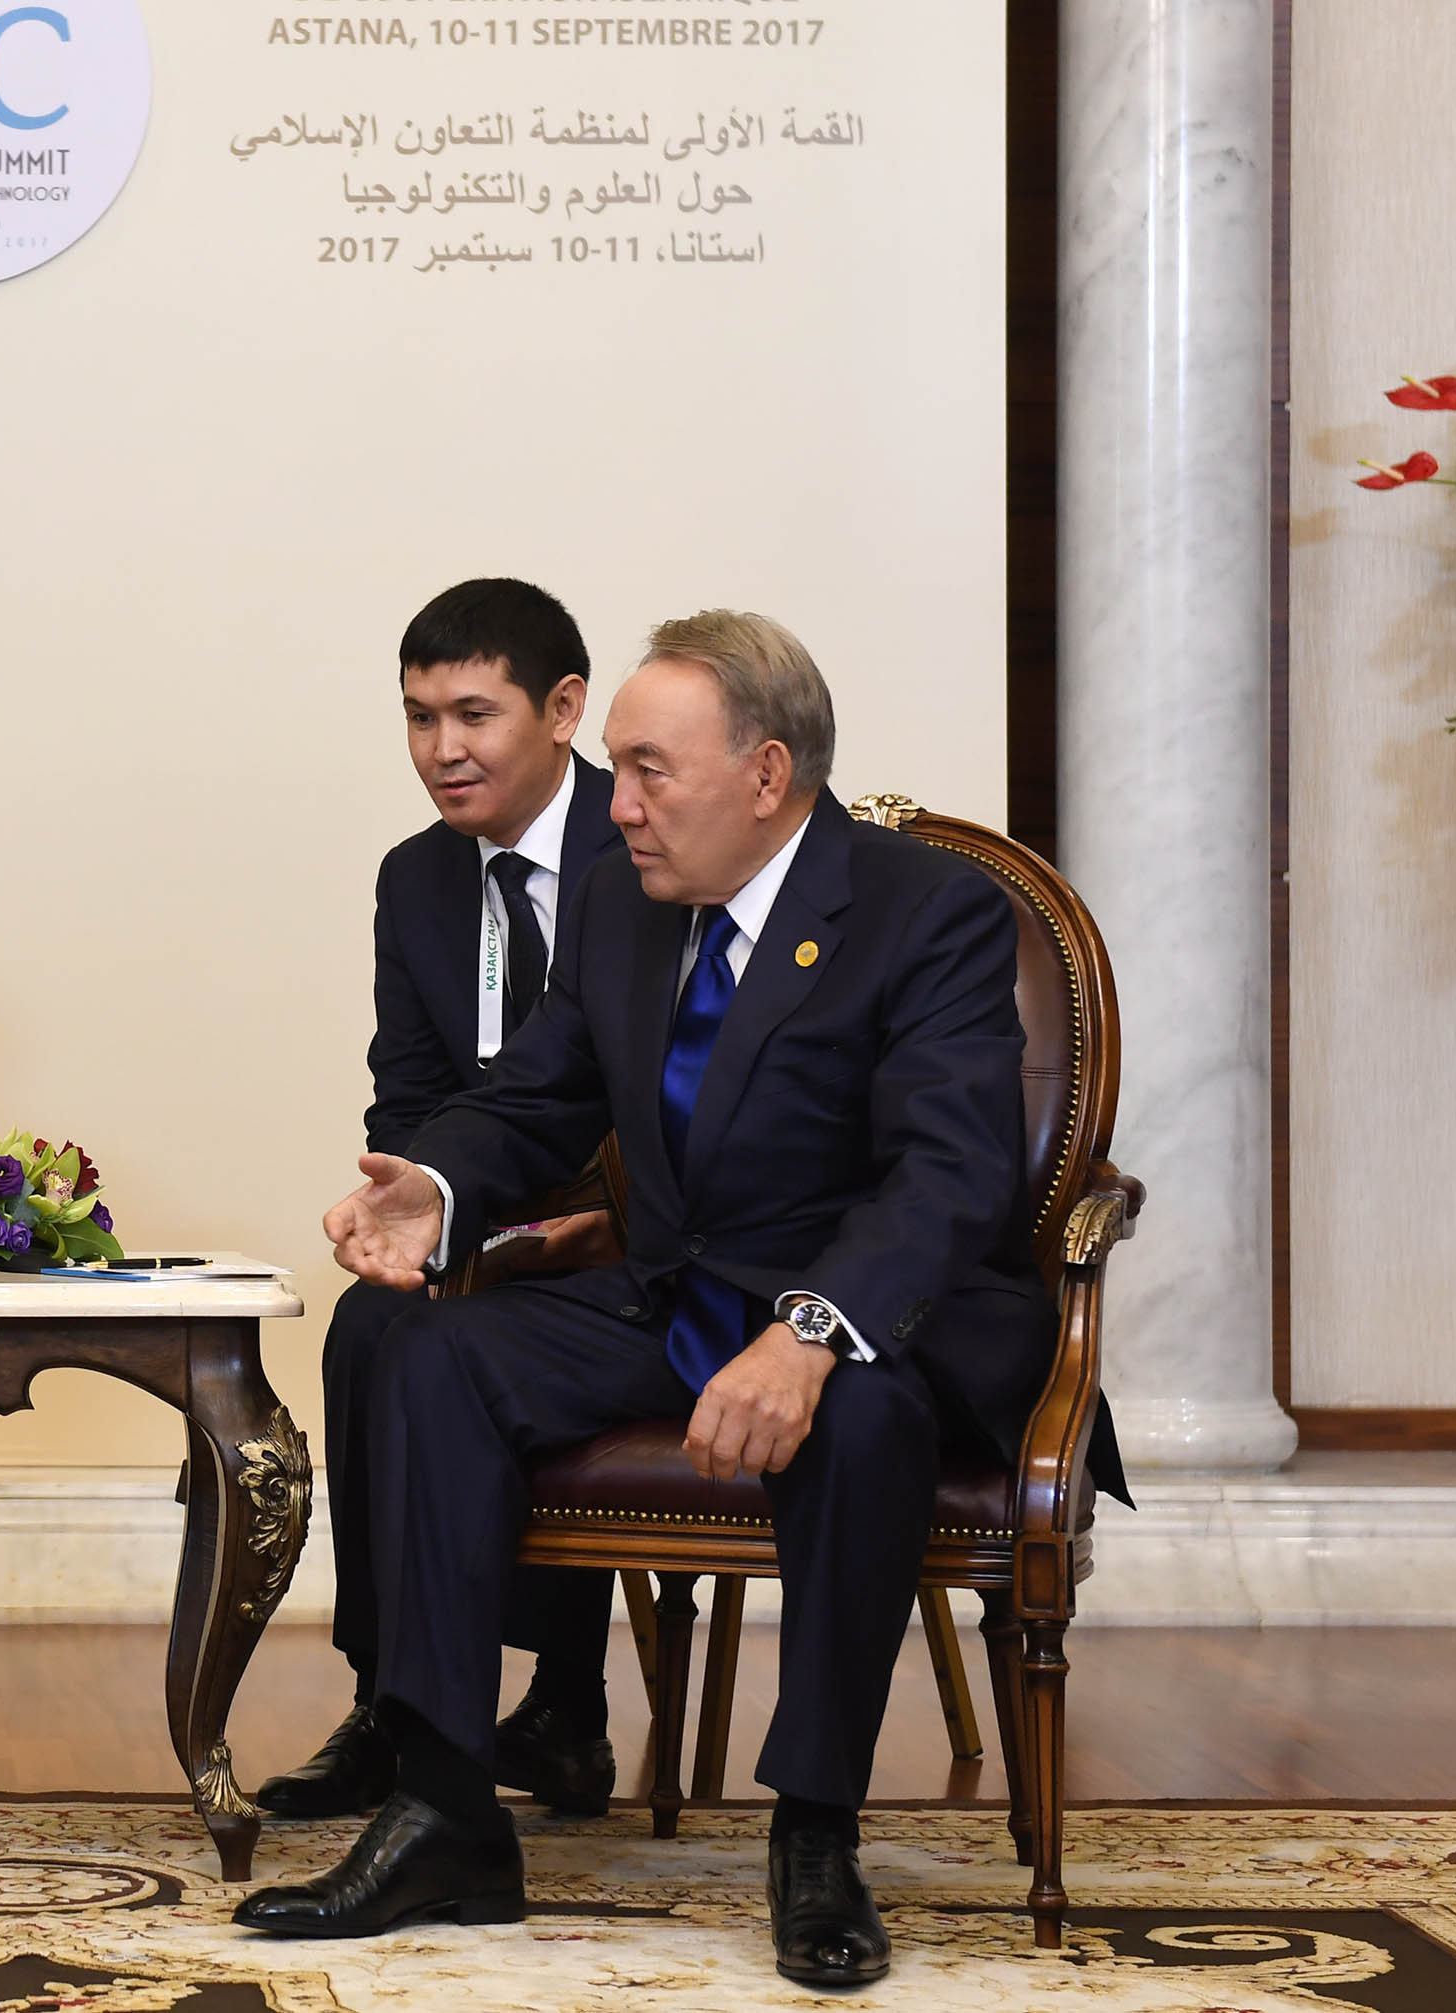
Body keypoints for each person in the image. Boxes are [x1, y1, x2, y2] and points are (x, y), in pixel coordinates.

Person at [234, 612, 1127, 1988]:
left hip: (877, 1315)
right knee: (425, 1350)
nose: (620, 804)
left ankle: (814, 1834)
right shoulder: (622, 904)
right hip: (678, 1296)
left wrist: (811, 1331)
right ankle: (444, 1808)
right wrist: (436, 1184)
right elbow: (536, 1095)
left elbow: (946, 1175)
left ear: (765, 775)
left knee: (857, 1418)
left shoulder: (921, 910)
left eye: (648, 771)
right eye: (621, 768)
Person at [253, 579, 626, 1827]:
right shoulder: (417, 878)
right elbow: (408, 1089)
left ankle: (567, 1702)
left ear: (561, 710)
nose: (441, 750)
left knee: (521, 1330)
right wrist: (411, 1205)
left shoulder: (644, 844)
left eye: (473, 714)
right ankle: (388, 1703)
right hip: (474, 1213)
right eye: (418, 718)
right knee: (373, 1326)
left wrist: (580, 1220)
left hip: (629, 1223)